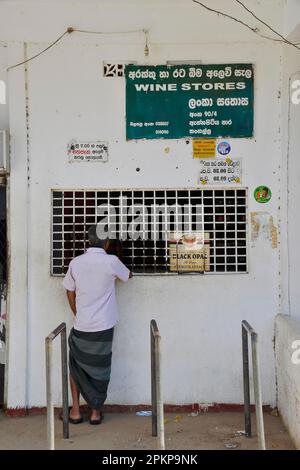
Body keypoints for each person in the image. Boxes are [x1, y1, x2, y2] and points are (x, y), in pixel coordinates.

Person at [62, 225, 132, 425]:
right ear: (107, 243)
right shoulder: (111, 261)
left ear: (88, 241)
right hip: (104, 327)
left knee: (76, 368)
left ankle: (75, 411)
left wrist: (77, 312)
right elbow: (127, 276)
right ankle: (95, 412)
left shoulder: (76, 263)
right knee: (100, 369)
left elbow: (69, 290)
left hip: (82, 325)